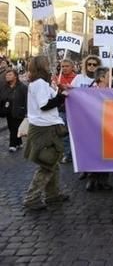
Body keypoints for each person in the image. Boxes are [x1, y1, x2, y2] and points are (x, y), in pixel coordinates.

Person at [23, 56, 69, 210]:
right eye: (47, 63)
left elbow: (48, 102)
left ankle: (53, 195)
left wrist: (59, 94)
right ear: (42, 66)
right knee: (47, 163)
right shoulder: (40, 84)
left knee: (53, 163)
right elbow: (45, 105)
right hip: (44, 129)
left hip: (44, 126)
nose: (50, 65)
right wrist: (62, 97)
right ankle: (31, 198)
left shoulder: (38, 83)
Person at [84, 67, 113, 192]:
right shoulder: (90, 91)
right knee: (94, 153)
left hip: (108, 128)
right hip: (93, 127)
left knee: (106, 155)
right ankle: (92, 179)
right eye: (110, 75)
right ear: (102, 78)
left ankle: (103, 180)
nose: (112, 77)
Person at [55, 59, 77, 164]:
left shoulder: (77, 78)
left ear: (72, 67)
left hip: (75, 109)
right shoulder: (57, 78)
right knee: (63, 133)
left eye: (67, 66)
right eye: (62, 66)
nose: (64, 68)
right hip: (62, 109)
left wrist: (64, 88)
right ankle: (67, 154)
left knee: (75, 133)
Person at [0, 69, 27, 152]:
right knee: (12, 127)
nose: (7, 76)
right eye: (7, 75)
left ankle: (12, 145)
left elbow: (26, 99)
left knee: (15, 127)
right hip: (8, 111)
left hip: (19, 110)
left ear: (15, 76)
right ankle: (19, 142)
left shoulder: (22, 87)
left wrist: (26, 111)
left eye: (10, 75)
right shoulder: (4, 87)